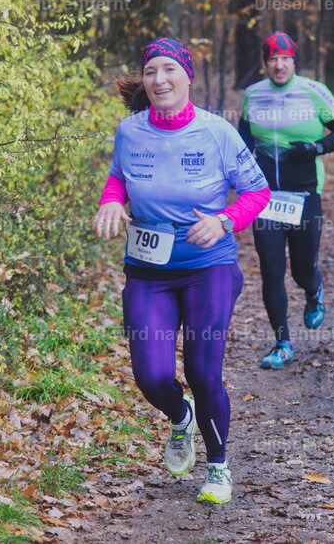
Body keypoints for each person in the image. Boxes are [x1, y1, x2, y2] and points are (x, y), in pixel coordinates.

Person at [92, 38, 269, 504]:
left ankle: (218, 468)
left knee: (202, 369)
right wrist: (112, 200)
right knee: (150, 376)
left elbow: (257, 192)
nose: (159, 79)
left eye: (169, 69)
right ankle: (180, 416)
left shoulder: (217, 132)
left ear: (188, 76)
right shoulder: (130, 131)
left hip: (207, 266)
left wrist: (225, 220)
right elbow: (118, 176)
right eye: (151, 71)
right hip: (148, 269)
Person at [238, 31, 334, 370]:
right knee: (272, 271)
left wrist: (317, 148)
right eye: (273, 59)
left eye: (285, 58)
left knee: (303, 270)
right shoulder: (252, 96)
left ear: (294, 61)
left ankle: (313, 291)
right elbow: (243, 139)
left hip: (304, 195)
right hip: (265, 197)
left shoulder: (313, 91)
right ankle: (282, 343)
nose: (279, 65)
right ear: (266, 64)